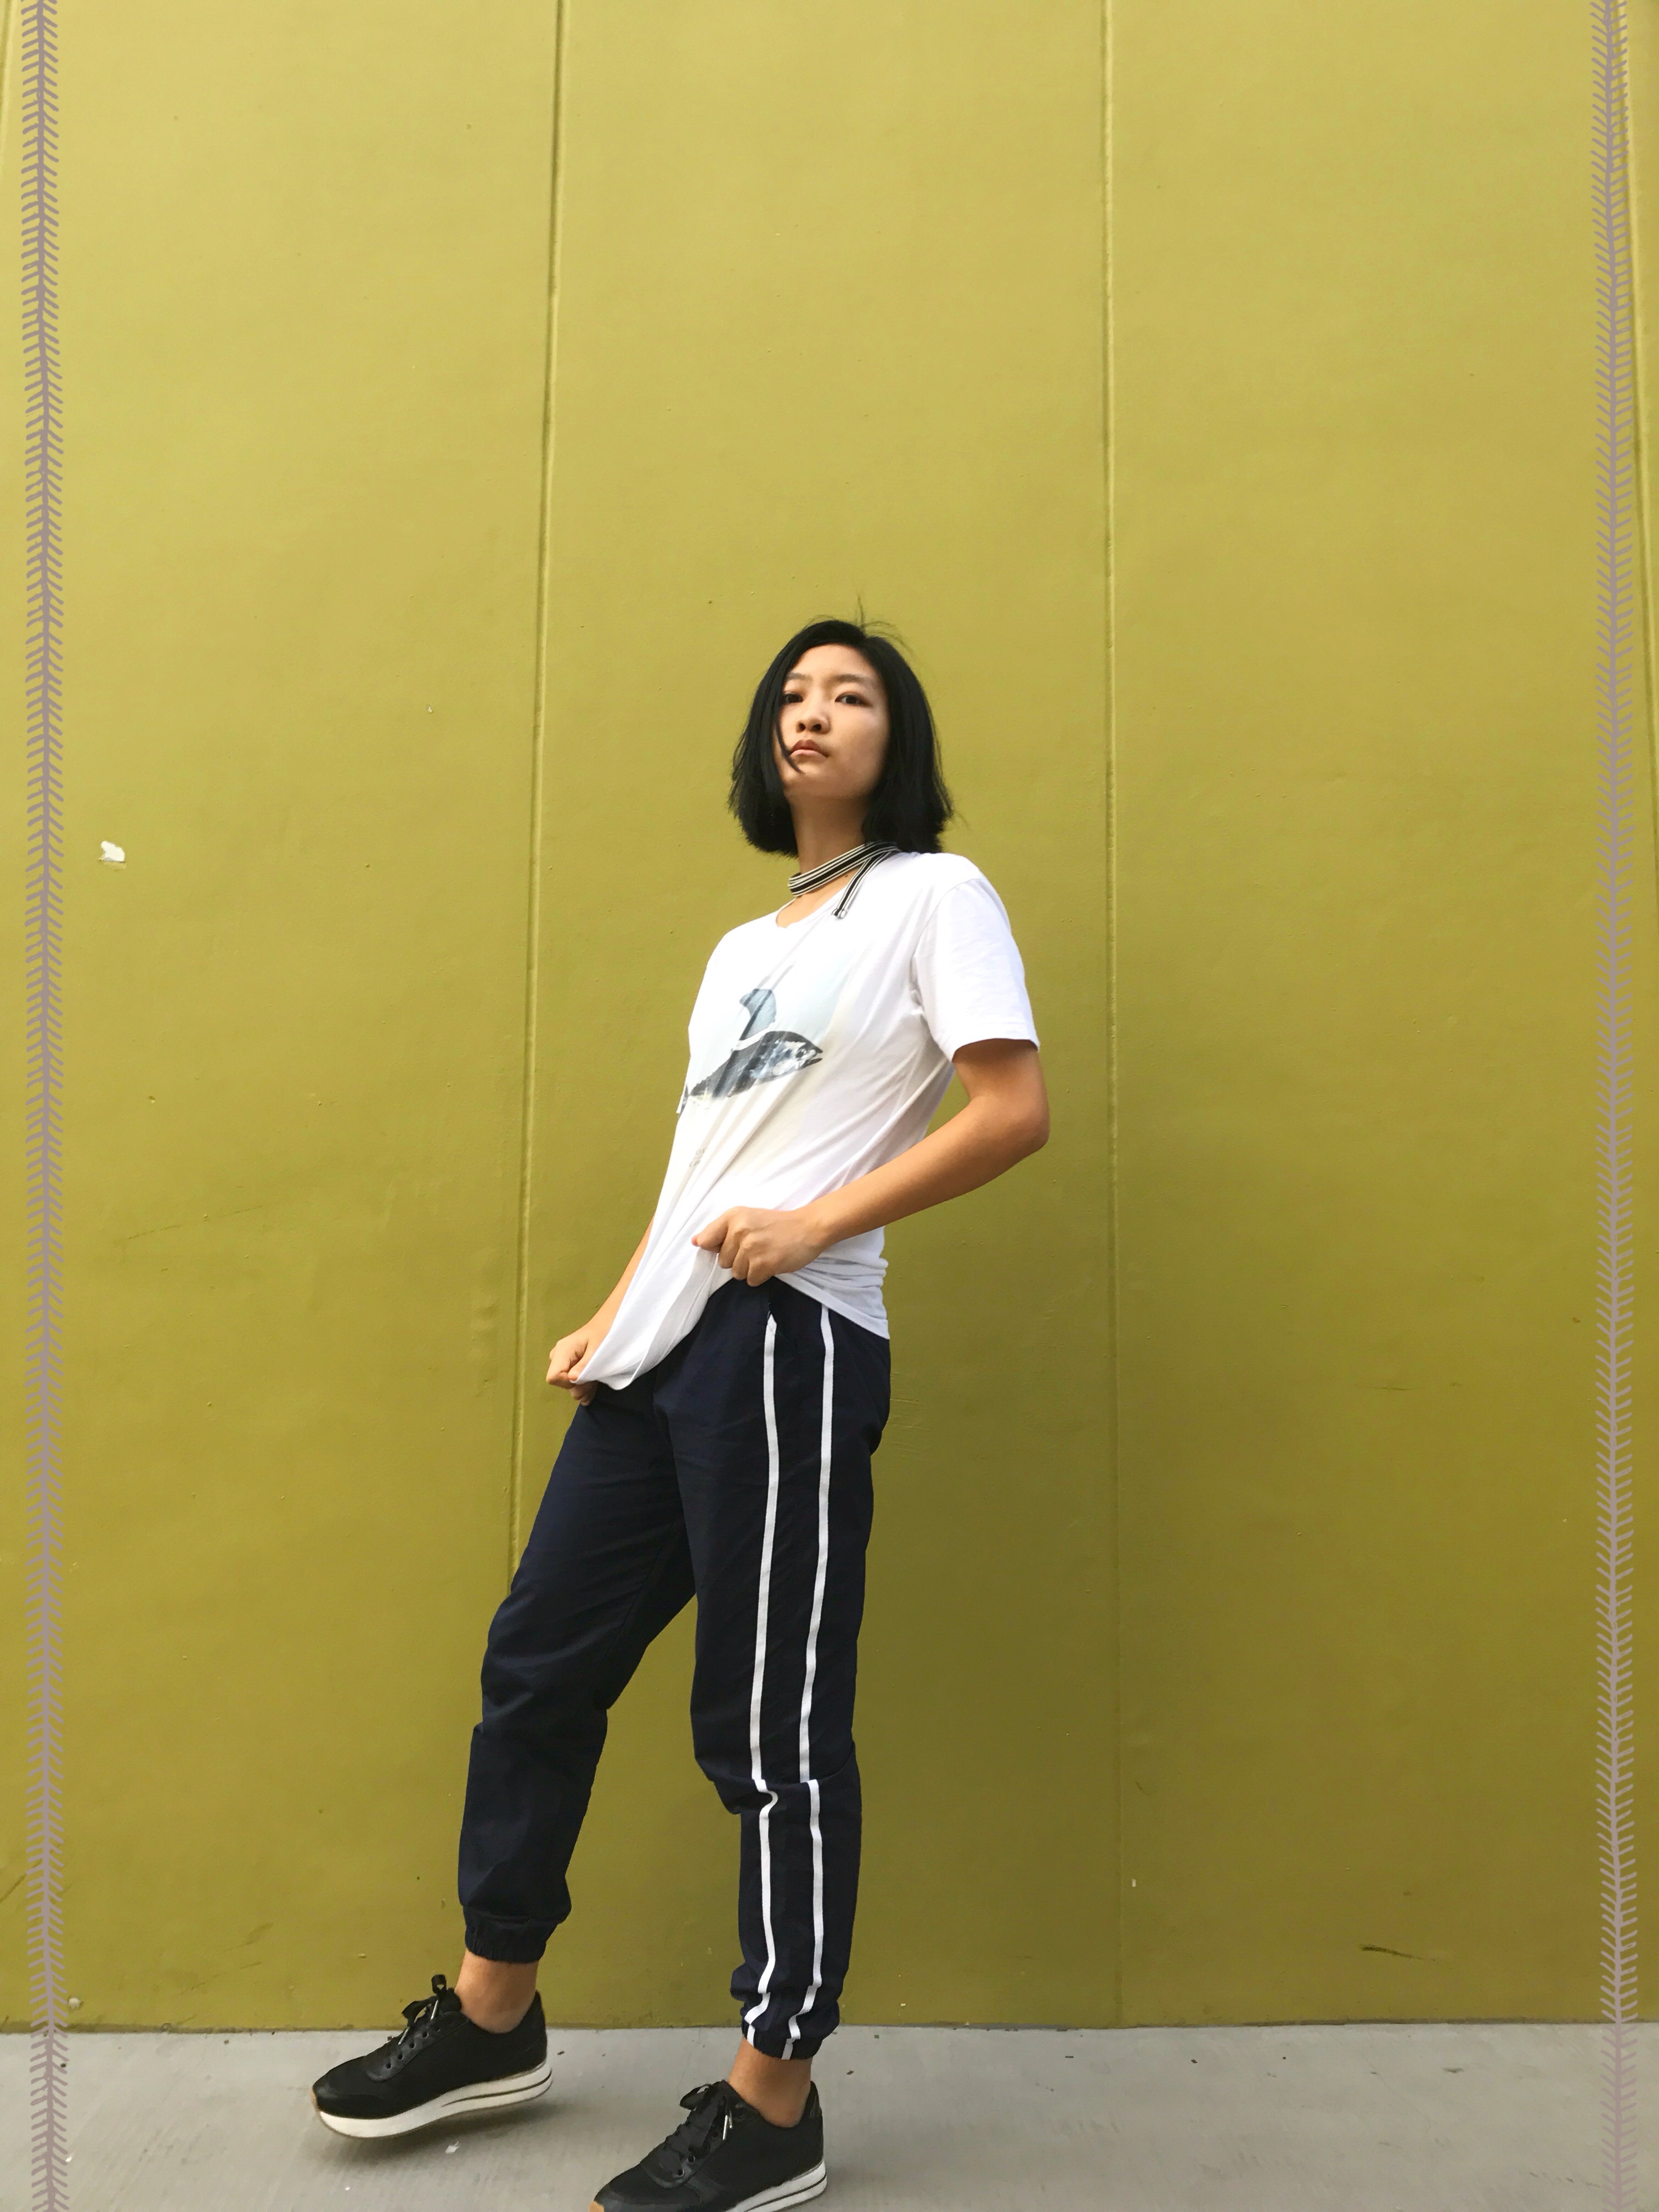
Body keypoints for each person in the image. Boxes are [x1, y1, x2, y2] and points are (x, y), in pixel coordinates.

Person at [309, 617, 1048, 2211]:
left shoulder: (936, 896)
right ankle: (494, 2014)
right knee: (537, 1663)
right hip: (668, 1349)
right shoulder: (739, 950)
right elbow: (705, 1165)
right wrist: (622, 1301)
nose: (813, 713)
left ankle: (775, 2095)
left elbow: (1011, 1110)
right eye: (793, 694)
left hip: (790, 1340)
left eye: (850, 695)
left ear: (897, 738)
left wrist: (817, 1224)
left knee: (767, 1726)